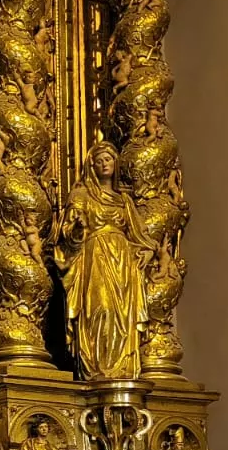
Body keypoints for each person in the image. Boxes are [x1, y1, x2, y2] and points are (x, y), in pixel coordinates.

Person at [55, 140, 159, 379]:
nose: (104, 164)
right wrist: (78, 228)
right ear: (92, 166)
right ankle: (96, 369)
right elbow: (67, 234)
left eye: (108, 159)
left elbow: (140, 235)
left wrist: (148, 251)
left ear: (115, 163)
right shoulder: (81, 195)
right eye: (99, 160)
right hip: (95, 258)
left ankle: (122, 370)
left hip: (123, 262)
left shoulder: (124, 201)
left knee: (124, 316)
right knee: (100, 309)